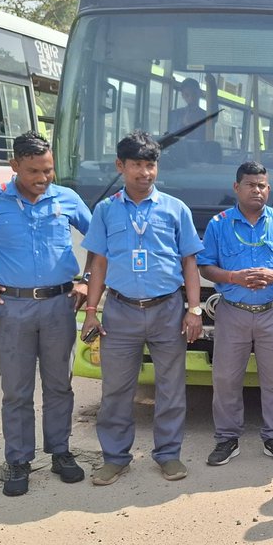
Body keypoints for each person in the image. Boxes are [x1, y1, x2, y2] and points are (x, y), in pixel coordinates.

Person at [0, 131, 94, 496]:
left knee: (60, 384)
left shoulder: (67, 198)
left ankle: (60, 452)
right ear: (14, 166)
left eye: (48, 170)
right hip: (11, 307)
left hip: (60, 305)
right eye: (33, 171)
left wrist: (87, 281)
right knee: (16, 389)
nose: (43, 179)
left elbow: (98, 240)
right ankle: (18, 461)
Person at [80, 131, 204, 486]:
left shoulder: (175, 209)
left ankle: (168, 455)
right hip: (120, 311)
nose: (144, 172)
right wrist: (91, 310)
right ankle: (115, 458)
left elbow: (189, 263)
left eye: (150, 165)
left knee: (170, 387)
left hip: (168, 310)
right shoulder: (105, 210)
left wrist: (193, 310)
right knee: (116, 389)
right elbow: (99, 263)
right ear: (121, 166)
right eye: (136, 164)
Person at [199, 162, 273, 466]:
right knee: (226, 378)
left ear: (268, 189)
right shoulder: (219, 224)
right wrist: (234, 277)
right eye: (250, 184)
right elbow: (205, 265)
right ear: (237, 188)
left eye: (262, 185)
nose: (257, 190)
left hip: (272, 312)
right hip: (233, 312)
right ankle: (226, 439)